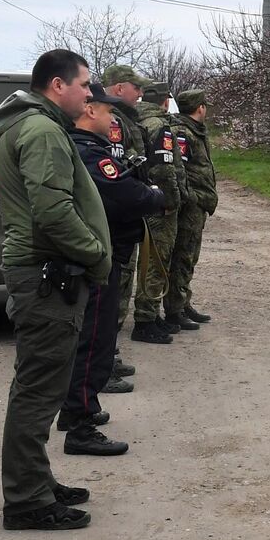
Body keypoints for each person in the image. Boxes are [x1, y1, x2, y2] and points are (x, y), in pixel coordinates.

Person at [0, 49, 111, 531]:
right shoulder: (43, 130)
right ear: (57, 85)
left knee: (40, 386)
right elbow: (53, 212)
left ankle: (37, 482)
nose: (90, 94)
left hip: (42, 272)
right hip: (47, 274)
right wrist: (95, 252)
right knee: (37, 390)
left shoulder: (30, 125)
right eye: (85, 85)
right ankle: (27, 501)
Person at [57, 82, 165, 457]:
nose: (111, 118)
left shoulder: (88, 148)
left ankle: (79, 409)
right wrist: (153, 195)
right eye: (107, 111)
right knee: (94, 344)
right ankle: (80, 425)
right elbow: (126, 194)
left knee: (94, 340)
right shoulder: (87, 152)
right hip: (98, 258)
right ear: (90, 111)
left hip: (103, 254)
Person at [98, 64, 156, 384]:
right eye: (136, 88)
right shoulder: (106, 120)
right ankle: (101, 363)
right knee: (109, 295)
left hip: (125, 215)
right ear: (120, 88)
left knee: (120, 288)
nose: (140, 94)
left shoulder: (123, 118)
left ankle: (109, 354)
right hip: (112, 219)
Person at [129, 82, 183, 344]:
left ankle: (150, 314)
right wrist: (171, 200)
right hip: (159, 203)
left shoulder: (135, 121)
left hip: (141, 197)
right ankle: (146, 319)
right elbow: (164, 168)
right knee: (156, 261)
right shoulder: (159, 126)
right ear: (164, 101)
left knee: (147, 259)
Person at [166, 88, 219, 330]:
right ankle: (175, 308)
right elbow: (180, 170)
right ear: (200, 107)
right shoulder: (182, 132)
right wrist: (191, 197)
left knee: (190, 256)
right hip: (190, 205)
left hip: (198, 204)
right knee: (182, 256)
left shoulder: (194, 131)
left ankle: (183, 301)